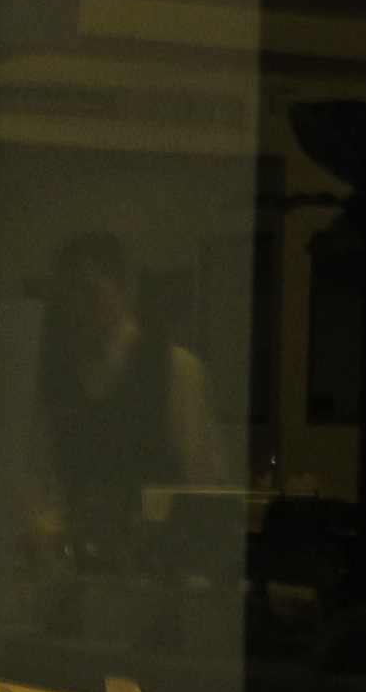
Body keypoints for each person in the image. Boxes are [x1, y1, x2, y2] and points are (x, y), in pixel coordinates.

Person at [29, 230, 224, 561]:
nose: (75, 308)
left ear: (124, 291)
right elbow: (43, 477)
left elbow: (202, 481)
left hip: (159, 566)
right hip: (79, 565)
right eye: (66, 296)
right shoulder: (58, 379)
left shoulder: (175, 369)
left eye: (88, 291)